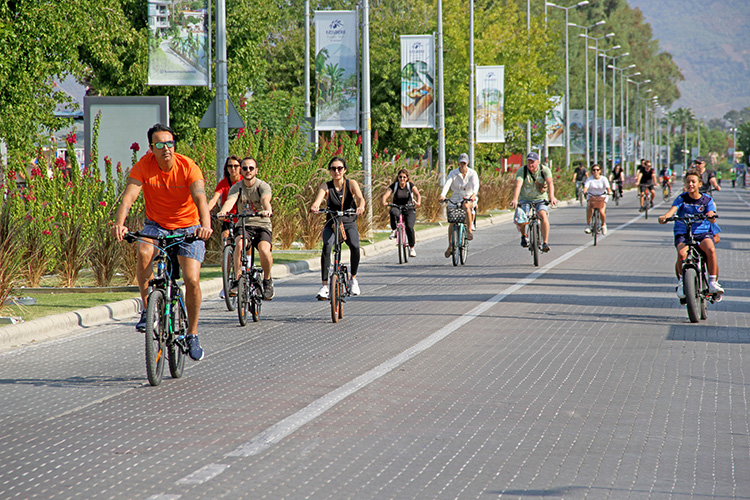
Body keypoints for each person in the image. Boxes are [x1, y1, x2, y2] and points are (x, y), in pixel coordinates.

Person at [112, 123, 212, 361]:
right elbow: (129, 197)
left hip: (189, 226)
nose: (166, 148)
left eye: (170, 143)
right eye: (160, 144)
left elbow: (201, 198)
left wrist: (205, 226)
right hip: (156, 225)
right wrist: (120, 222)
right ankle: (148, 310)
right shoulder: (143, 166)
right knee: (144, 250)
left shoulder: (189, 166)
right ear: (151, 148)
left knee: (192, 279)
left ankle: (192, 334)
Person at [658, 168, 724, 298]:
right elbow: (672, 210)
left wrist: (711, 215)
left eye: (693, 182)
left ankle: (712, 282)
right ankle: (682, 284)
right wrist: (665, 217)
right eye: (688, 182)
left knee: (710, 250)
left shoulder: (707, 200)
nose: (690, 184)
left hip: (701, 232)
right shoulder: (681, 198)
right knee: (682, 254)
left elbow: (712, 215)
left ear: (700, 184)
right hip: (683, 232)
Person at [217, 156, 275, 301]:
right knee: (240, 245)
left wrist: (267, 210)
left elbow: (265, 200)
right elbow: (231, 200)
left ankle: (267, 280)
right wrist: (223, 212)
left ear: (256, 170)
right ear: (241, 171)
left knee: (264, 250)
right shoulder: (237, 187)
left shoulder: (263, 186)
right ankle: (237, 281)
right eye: (244, 168)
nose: (248, 171)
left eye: (251, 168)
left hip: (262, 224)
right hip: (244, 224)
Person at [310, 156, 366, 300]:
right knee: (327, 246)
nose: (337, 171)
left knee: (355, 246)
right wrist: (315, 205)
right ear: (330, 171)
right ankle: (324, 286)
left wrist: (361, 206)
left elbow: (360, 197)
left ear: (344, 170)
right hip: (332, 222)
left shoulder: (351, 183)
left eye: (339, 168)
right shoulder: (326, 186)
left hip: (348, 221)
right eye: (333, 169)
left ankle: (353, 278)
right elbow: (318, 199)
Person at [207, 155, 242, 299]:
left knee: (244, 246)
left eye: (235, 166)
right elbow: (214, 199)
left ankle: (241, 276)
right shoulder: (223, 183)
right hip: (228, 218)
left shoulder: (243, 182)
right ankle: (226, 285)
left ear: (240, 167)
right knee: (225, 246)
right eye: (230, 166)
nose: (232, 169)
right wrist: (204, 213)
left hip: (242, 218)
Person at [510, 152, 558, 253]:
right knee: (522, 218)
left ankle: (545, 242)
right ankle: (524, 236)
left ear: (538, 162)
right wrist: (515, 199)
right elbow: (518, 185)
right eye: (528, 162)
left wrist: (552, 197)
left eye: (532, 162)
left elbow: (550, 183)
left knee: (543, 216)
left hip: (540, 198)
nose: (530, 164)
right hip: (525, 199)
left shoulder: (544, 170)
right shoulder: (522, 171)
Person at [439, 153, 479, 258]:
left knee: (466, 206)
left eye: (464, 163)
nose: (463, 165)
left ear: (468, 163)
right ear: (458, 163)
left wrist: (474, 194)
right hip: (456, 196)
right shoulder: (453, 173)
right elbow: (447, 184)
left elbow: (476, 185)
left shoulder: (472, 173)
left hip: (469, 196)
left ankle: (469, 231)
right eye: (461, 163)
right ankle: (450, 246)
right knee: (452, 221)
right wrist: (443, 195)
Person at [381, 168, 422, 257]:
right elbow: (386, 194)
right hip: (397, 206)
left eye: (404, 177)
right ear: (398, 177)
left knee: (409, 227)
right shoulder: (394, 186)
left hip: (409, 208)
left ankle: (411, 248)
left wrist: (418, 202)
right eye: (400, 177)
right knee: (393, 212)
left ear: (407, 178)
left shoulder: (409, 185)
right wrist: (384, 201)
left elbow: (417, 194)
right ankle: (394, 229)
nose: (402, 179)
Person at [583, 164, 612, 234]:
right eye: (594, 170)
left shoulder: (604, 179)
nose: (595, 171)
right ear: (592, 171)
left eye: (597, 170)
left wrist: (610, 191)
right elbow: (585, 187)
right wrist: (584, 191)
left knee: (602, 211)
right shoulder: (589, 179)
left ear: (600, 171)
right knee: (589, 208)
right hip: (592, 196)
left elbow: (608, 188)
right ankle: (588, 225)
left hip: (602, 196)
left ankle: (603, 225)